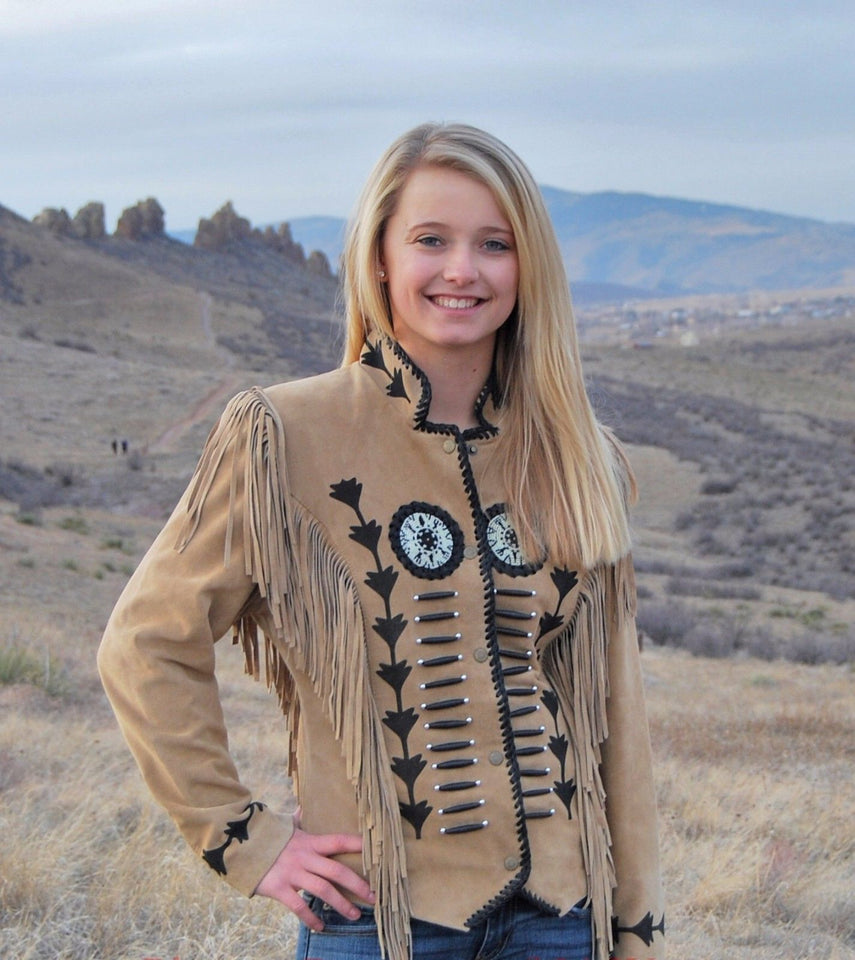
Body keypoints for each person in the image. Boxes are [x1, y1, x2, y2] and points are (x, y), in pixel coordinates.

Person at [98, 122, 665, 960]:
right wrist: (243, 840)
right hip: (377, 918)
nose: (462, 270)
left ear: (528, 266)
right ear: (378, 260)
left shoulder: (582, 457)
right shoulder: (281, 434)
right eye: (430, 239)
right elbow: (145, 644)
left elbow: (616, 714)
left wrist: (634, 928)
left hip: (561, 916)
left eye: (494, 244)